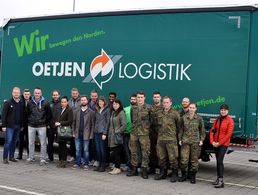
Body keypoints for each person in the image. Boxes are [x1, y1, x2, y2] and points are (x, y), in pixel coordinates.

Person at [178, 103, 206, 183]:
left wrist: (201, 140)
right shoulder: (183, 118)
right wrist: (180, 139)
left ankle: (192, 176)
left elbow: (202, 131)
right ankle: (184, 175)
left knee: (194, 161)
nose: (191, 109)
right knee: (184, 160)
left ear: (195, 109)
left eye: (193, 108)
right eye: (190, 107)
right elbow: (181, 130)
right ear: (188, 108)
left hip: (195, 142)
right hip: (185, 142)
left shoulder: (199, 118)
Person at [154, 96, 180, 182]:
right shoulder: (158, 113)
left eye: (167, 102)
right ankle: (162, 173)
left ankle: (174, 174)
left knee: (173, 158)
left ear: (171, 103)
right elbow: (155, 125)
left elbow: (179, 127)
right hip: (161, 139)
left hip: (171, 140)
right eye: (164, 102)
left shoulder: (175, 114)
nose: (165, 104)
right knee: (161, 157)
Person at [127, 91, 151, 179]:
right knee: (133, 151)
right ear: (136, 98)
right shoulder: (133, 108)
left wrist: (147, 130)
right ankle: (134, 170)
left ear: (144, 98)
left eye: (141, 97)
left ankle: (144, 170)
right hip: (134, 133)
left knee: (145, 152)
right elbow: (133, 119)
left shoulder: (148, 108)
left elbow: (151, 121)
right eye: (138, 97)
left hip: (144, 134)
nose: (140, 99)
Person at [210, 104, 234, 188]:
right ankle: (218, 179)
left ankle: (221, 181)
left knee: (220, 161)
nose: (223, 111)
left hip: (223, 144)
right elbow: (212, 131)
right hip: (215, 143)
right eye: (221, 110)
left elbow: (228, 135)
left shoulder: (230, 120)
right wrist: (212, 141)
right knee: (218, 161)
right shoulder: (217, 119)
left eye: (224, 110)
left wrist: (219, 143)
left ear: (227, 111)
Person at [27, 87, 52, 165]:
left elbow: (49, 115)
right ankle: (31, 158)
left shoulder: (46, 103)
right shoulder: (30, 103)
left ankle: (42, 159)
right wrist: (30, 120)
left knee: (43, 143)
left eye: (38, 93)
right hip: (31, 126)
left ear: (41, 94)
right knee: (31, 142)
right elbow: (27, 113)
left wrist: (45, 123)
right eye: (36, 93)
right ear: (34, 93)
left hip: (42, 126)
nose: (37, 94)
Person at [2, 87, 25, 164]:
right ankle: (5, 158)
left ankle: (11, 157)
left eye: (18, 93)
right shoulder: (8, 102)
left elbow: (22, 115)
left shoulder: (21, 103)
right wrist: (3, 126)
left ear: (19, 93)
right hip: (10, 126)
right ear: (12, 93)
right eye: (15, 92)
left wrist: (21, 125)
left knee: (14, 142)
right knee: (8, 142)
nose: (16, 94)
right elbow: (4, 115)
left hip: (18, 126)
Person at [72, 95, 94, 170]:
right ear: (80, 101)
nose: (83, 101)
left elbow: (92, 124)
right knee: (78, 149)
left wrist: (91, 134)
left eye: (84, 100)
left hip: (86, 134)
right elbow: (73, 122)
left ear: (87, 101)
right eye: (82, 100)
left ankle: (86, 164)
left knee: (86, 150)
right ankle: (77, 163)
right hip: (77, 133)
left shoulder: (91, 112)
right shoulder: (76, 111)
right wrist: (73, 132)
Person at [108, 99, 126, 175]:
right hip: (111, 136)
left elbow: (124, 125)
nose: (115, 105)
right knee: (113, 153)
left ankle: (118, 168)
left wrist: (117, 131)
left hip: (117, 137)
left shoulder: (121, 112)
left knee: (117, 153)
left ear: (119, 105)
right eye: (114, 104)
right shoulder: (113, 112)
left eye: (116, 104)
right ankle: (115, 167)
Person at [55, 96, 73, 168]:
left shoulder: (69, 110)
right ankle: (61, 161)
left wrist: (60, 123)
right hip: (60, 131)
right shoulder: (61, 109)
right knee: (60, 147)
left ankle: (63, 162)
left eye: (64, 102)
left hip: (64, 132)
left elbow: (70, 121)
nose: (63, 103)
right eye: (62, 102)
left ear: (67, 102)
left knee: (63, 147)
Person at [94, 96, 110, 172]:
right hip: (96, 132)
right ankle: (99, 164)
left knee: (102, 149)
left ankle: (103, 165)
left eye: (102, 101)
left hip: (102, 133)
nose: (100, 103)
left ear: (104, 102)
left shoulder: (107, 110)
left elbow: (107, 122)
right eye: (99, 101)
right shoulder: (97, 110)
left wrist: (105, 133)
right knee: (98, 149)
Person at [149, 91, 163, 174]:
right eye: (154, 97)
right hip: (152, 133)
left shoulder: (163, 107)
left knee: (161, 152)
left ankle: (162, 170)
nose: (156, 98)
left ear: (160, 98)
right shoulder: (150, 108)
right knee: (152, 152)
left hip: (160, 133)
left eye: (157, 97)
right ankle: (152, 168)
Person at [124, 94, 137, 169]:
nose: (133, 100)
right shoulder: (126, 109)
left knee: (134, 151)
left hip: (135, 134)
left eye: (134, 99)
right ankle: (129, 165)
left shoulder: (139, 109)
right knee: (127, 151)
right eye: (131, 99)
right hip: (126, 133)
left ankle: (135, 166)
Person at [47, 90, 61, 162]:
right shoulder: (49, 104)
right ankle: (50, 158)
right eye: (54, 95)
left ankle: (60, 159)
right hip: (51, 127)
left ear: (59, 95)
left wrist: (60, 123)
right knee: (50, 143)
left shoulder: (62, 103)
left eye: (56, 95)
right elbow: (47, 115)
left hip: (59, 127)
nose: (55, 96)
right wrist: (48, 125)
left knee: (60, 143)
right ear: (52, 96)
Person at [17, 89, 31, 160]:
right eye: (25, 94)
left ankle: (29, 156)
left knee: (29, 142)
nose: (26, 95)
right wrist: (21, 125)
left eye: (28, 94)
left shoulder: (32, 102)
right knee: (21, 141)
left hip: (29, 125)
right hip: (21, 125)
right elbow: (19, 115)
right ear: (23, 94)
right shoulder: (20, 102)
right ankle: (20, 155)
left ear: (30, 94)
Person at [68, 88, 81, 163]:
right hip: (71, 124)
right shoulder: (69, 101)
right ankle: (72, 156)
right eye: (73, 93)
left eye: (76, 93)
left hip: (79, 124)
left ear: (78, 93)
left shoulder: (81, 101)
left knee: (79, 142)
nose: (74, 95)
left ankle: (79, 157)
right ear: (71, 94)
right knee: (72, 141)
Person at [88, 89, 98, 167]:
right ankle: (90, 159)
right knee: (88, 144)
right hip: (87, 127)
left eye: (95, 96)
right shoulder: (87, 103)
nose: (94, 97)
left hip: (95, 127)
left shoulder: (99, 104)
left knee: (94, 145)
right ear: (90, 96)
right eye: (92, 96)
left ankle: (95, 160)